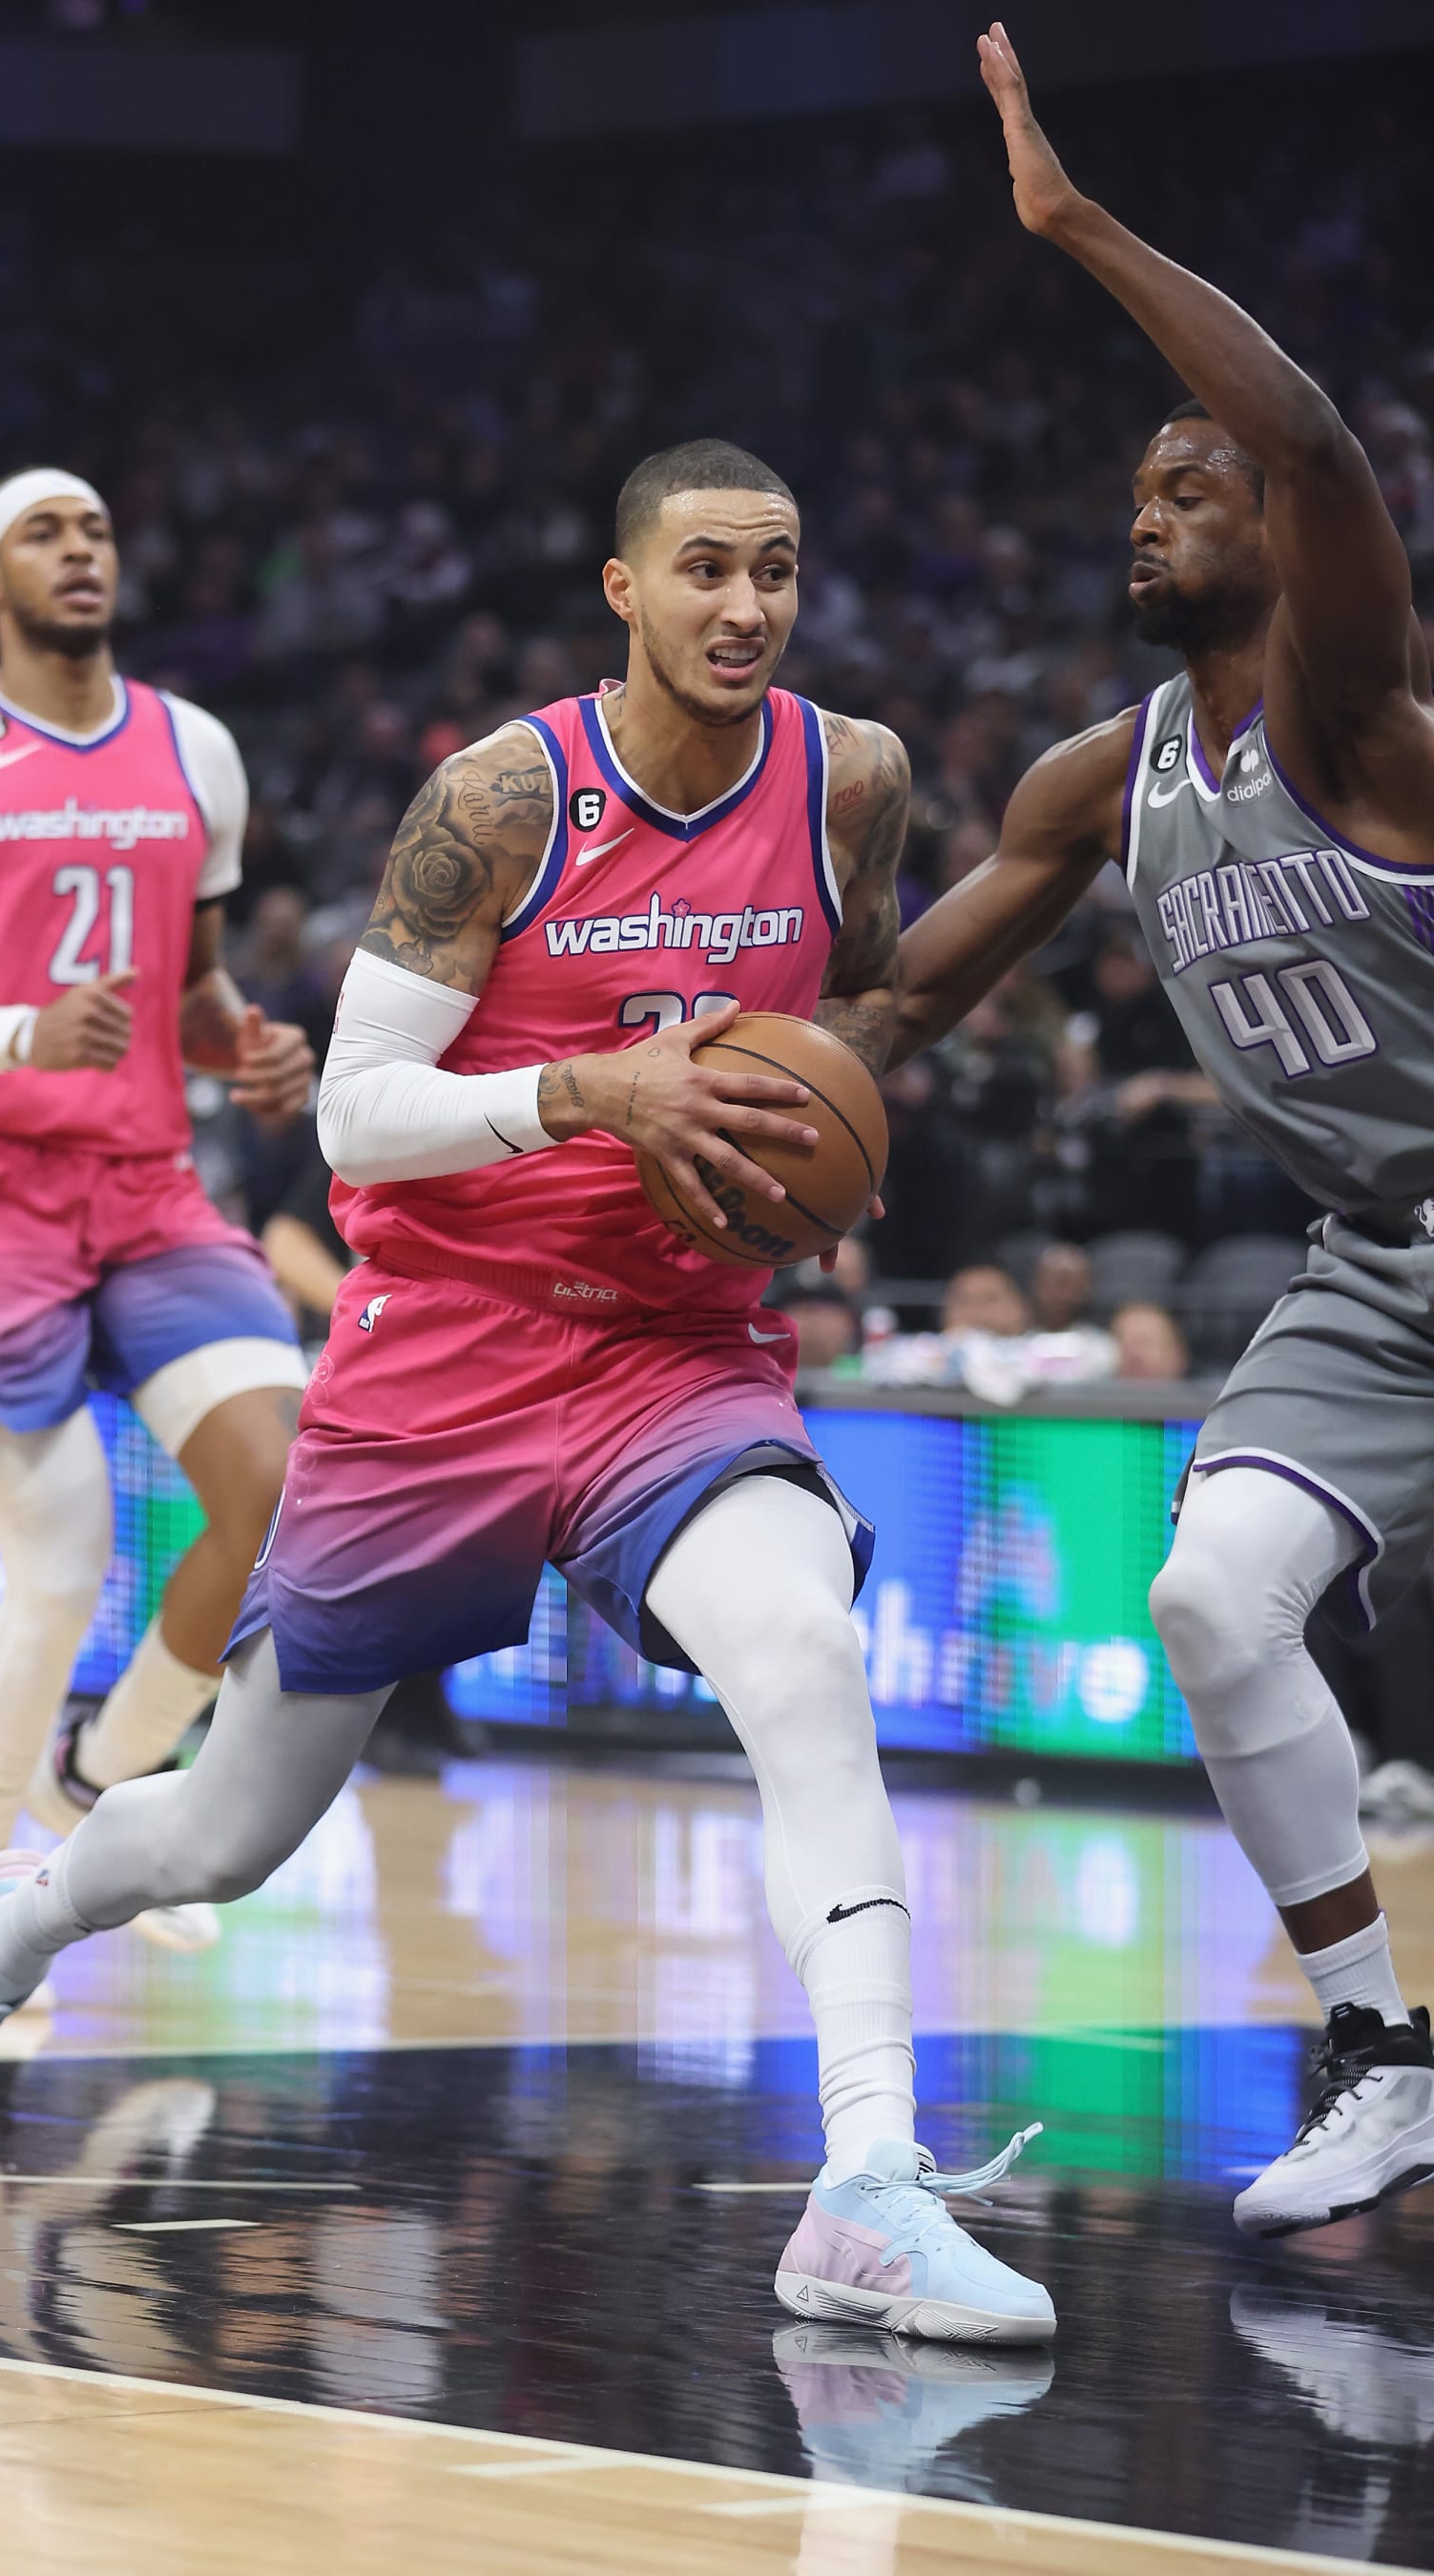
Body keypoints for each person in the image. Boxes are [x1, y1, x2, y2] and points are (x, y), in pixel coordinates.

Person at [0, 436, 1054, 2345]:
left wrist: (821, 1132)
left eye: (779, 572)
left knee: (805, 1651)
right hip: (449, 1362)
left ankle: (868, 2182)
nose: (747, 607)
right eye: (708, 571)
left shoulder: (856, 777)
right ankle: (0, 1932)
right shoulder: (501, 797)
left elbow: (859, 1015)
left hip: (677, 1353)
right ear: (626, 592)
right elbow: (356, 1116)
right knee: (230, 1834)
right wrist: (593, 1090)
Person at [891, 25, 1434, 2236]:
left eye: (1186, 489)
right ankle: (1386, 2051)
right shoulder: (1096, 784)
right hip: (1373, 1259)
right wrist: (663, 1056)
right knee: (1213, 1600)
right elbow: (897, 1002)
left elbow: (1302, 425)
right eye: (1133, 495)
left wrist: (1071, 218)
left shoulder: (1355, 699)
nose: (1153, 511)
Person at [0, 468, 313, 1963]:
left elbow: (189, 991)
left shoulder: (195, 748)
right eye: (44, 532)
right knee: (62, 1565)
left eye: (96, 528)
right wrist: (21, 1036)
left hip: (147, 1182)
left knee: (295, 1497)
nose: (79, 549)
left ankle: (104, 1782)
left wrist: (250, 1045)